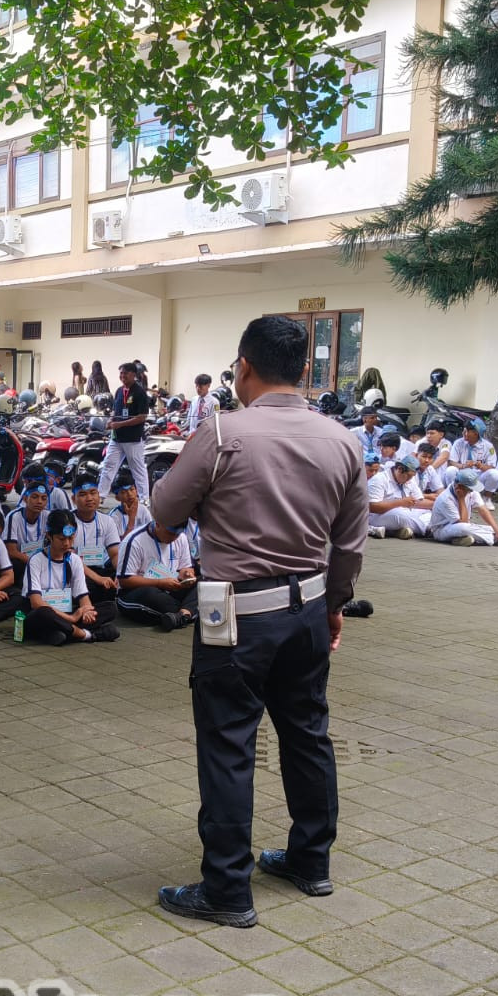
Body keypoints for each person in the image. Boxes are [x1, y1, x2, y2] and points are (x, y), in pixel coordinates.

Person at [151, 314, 369, 925]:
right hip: (308, 610)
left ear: (241, 366)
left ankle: (226, 890)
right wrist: (334, 606)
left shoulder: (220, 434)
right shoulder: (343, 440)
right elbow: (350, 545)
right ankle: (311, 861)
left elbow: (165, 511)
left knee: (228, 746)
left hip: (237, 618)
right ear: (304, 370)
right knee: (307, 734)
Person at [22, 510, 119, 644]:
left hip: (65, 613)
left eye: (71, 538)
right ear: (49, 536)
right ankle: (85, 634)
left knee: (110, 608)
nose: (67, 543)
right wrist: (72, 619)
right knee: (43, 613)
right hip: (43, 615)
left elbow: (83, 597)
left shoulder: (74, 560)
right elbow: (36, 603)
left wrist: (87, 612)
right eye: (62, 539)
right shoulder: (36, 560)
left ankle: (59, 633)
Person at [116, 519, 197, 630]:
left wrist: (187, 574)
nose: (173, 538)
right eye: (170, 533)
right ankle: (190, 610)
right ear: (158, 523)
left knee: (204, 582)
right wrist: (159, 583)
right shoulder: (134, 540)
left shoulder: (181, 537)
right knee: (151, 594)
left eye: (177, 534)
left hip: (171, 589)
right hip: (137, 592)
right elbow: (125, 581)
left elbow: (185, 567)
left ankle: (182, 615)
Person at [97, 362, 151, 499]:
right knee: (108, 466)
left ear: (134, 375)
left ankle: (144, 499)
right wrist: (111, 420)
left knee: (137, 470)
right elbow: (116, 410)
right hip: (117, 439)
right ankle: (101, 496)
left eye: (125, 373)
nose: (122, 376)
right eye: (121, 373)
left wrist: (121, 424)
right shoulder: (119, 391)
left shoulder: (140, 392)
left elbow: (142, 417)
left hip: (133, 439)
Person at [429, 469, 498, 546]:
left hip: (464, 524)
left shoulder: (471, 491)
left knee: (497, 529)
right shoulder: (445, 498)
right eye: (469, 489)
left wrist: (496, 529)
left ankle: (463, 539)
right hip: (442, 530)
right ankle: (496, 539)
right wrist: (461, 499)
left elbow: (483, 510)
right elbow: (463, 522)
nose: (471, 491)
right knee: (464, 528)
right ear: (459, 486)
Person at [70, 475, 122, 600]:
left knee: (125, 578)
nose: (89, 498)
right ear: (73, 499)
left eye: (93, 493)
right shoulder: (67, 521)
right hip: (76, 571)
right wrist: (98, 579)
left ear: (99, 495)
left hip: (99, 568)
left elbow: (115, 554)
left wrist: (120, 574)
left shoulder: (107, 521)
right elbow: (70, 558)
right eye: (82, 494)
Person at [366, 453, 433, 539]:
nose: (410, 479)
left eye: (412, 476)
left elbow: (419, 501)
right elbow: (373, 507)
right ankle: (428, 531)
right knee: (401, 515)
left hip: (406, 512)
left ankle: (398, 531)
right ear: (400, 469)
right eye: (408, 476)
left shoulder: (409, 480)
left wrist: (436, 505)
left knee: (427, 513)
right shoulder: (379, 479)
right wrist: (400, 503)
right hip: (377, 516)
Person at [5, 481, 49, 578]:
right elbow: (11, 551)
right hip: (21, 560)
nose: (39, 501)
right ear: (25, 498)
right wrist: (35, 563)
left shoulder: (48, 516)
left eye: (44, 498)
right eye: (34, 497)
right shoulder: (13, 517)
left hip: (39, 559)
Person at [109, 471, 152, 538]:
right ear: (117, 498)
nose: (129, 494)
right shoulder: (113, 517)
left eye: (132, 489)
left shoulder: (143, 510)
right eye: (124, 492)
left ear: (136, 491)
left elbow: (151, 534)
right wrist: (131, 519)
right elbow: (119, 546)